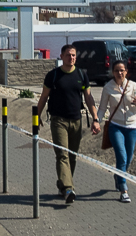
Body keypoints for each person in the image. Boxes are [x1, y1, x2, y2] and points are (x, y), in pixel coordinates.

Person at [35, 43, 100, 204]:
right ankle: (69, 189)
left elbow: (89, 98)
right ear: (62, 56)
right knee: (62, 154)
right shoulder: (53, 75)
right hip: (58, 121)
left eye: (73, 55)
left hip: (76, 120)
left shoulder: (81, 74)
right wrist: (36, 117)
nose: (71, 58)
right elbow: (43, 97)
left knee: (72, 156)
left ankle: (62, 184)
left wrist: (95, 119)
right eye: (68, 55)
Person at [98, 61, 136, 203]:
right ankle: (124, 190)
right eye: (117, 70)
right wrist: (96, 122)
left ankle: (118, 175)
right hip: (115, 126)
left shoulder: (133, 85)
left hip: (131, 126)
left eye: (122, 70)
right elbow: (102, 108)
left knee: (129, 158)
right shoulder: (108, 88)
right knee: (122, 156)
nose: (120, 73)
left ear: (126, 71)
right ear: (113, 72)